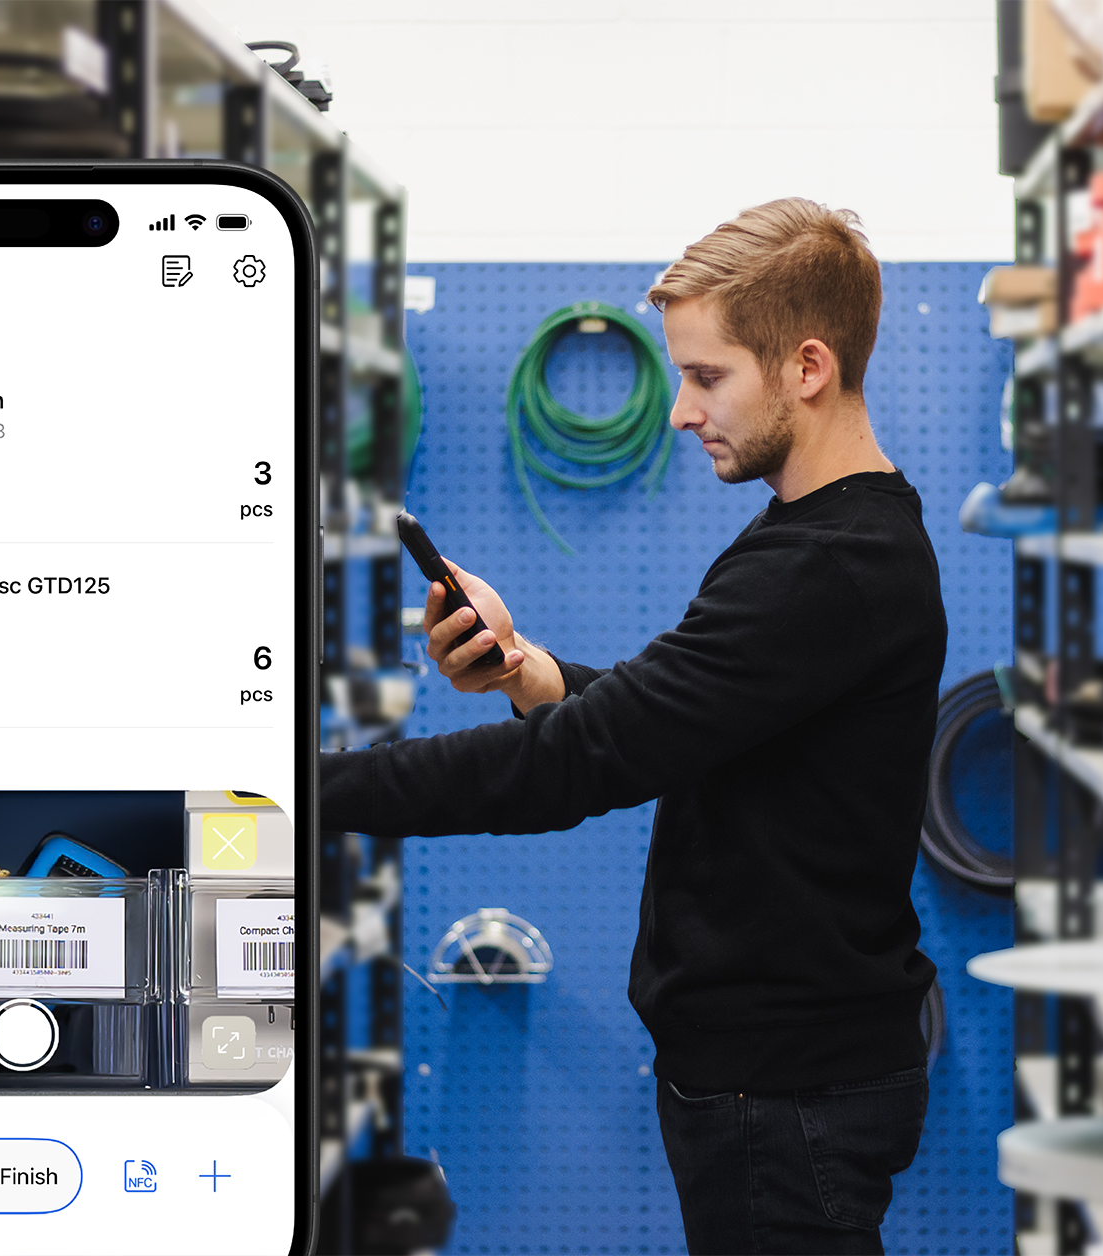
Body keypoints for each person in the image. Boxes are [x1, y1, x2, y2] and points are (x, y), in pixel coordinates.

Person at [320, 198, 947, 1255]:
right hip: (778, 1071)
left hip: (785, 1087)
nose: (680, 411)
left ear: (806, 366)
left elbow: (576, 764)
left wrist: (302, 787)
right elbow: (695, 716)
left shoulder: (829, 562)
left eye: (705, 376)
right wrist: (530, 672)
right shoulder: (825, 536)